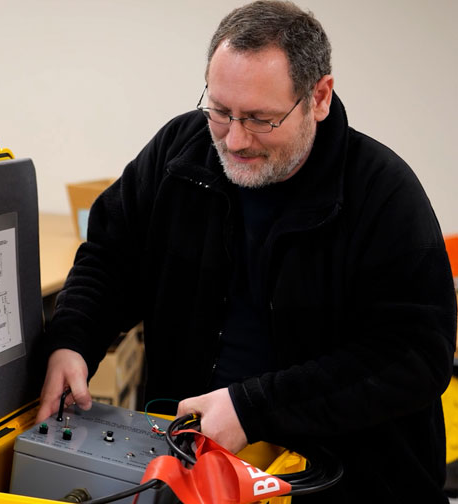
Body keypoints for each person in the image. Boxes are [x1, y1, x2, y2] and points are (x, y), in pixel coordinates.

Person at [36, 1, 457, 501]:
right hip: (194, 474)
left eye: (260, 119)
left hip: (348, 483)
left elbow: (413, 356)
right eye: (220, 111)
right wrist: (73, 339)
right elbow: (111, 256)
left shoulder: (383, 195)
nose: (235, 140)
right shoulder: (180, 152)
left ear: (319, 97)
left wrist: (254, 408)